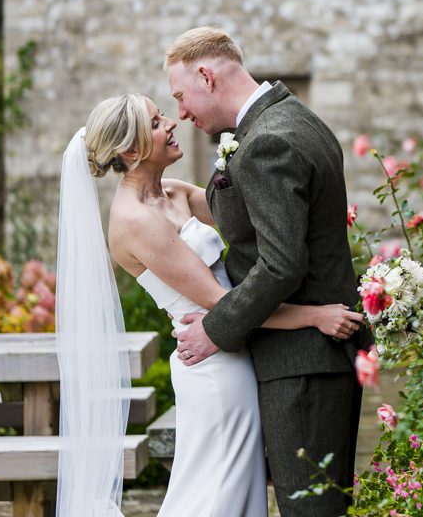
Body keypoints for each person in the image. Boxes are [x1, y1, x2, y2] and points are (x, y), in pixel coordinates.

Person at [55, 93, 363, 517]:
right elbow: (223, 301)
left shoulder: (175, 193)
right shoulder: (136, 222)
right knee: (215, 496)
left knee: (233, 493)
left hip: (233, 347)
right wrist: (316, 316)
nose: (172, 123)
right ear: (131, 150)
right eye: (157, 121)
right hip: (214, 368)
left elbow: (257, 222)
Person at [165, 27, 367, 517]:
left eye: (180, 96)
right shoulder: (292, 118)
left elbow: (281, 264)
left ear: (206, 77)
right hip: (315, 359)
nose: (182, 113)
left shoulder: (267, 143)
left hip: (301, 365)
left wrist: (216, 329)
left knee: (310, 509)